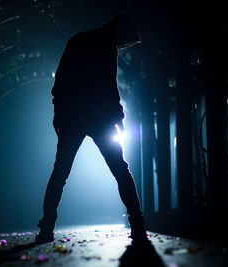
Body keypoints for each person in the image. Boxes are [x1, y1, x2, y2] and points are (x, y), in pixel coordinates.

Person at [36, 13, 148, 244]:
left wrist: (58, 113)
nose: (123, 45)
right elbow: (109, 86)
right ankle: (137, 223)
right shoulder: (108, 46)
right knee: (120, 169)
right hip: (100, 118)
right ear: (120, 31)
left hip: (72, 117)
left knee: (60, 173)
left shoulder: (78, 40)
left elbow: (61, 82)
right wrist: (118, 116)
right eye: (125, 41)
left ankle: (46, 227)